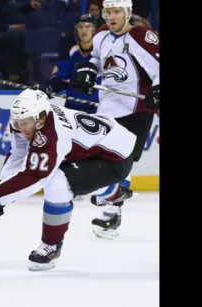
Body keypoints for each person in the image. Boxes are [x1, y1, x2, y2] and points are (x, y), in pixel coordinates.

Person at [0, 89, 136, 271]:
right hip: (94, 148)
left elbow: (35, 177)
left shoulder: (51, 133)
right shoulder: (25, 121)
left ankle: (51, 245)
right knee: (59, 177)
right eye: (18, 122)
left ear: (41, 118)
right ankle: (113, 192)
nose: (20, 128)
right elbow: (18, 156)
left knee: (58, 182)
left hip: (116, 158)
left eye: (25, 123)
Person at [71, 0, 160, 239]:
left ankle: (112, 209)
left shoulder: (141, 35)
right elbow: (99, 61)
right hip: (108, 107)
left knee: (123, 158)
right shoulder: (100, 36)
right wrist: (88, 69)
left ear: (128, 13)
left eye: (116, 11)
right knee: (108, 156)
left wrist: (158, 88)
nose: (111, 16)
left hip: (136, 107)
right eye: (107, 12)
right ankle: (112, 209)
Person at [40, 14, 100, 114]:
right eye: (80, 27)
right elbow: (62, 79)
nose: (83, 30)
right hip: (72, 108)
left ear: (94, 30)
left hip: (97, 109)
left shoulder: (103, 51)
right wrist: (48, 89)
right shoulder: (70, 51)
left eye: (87, 26)